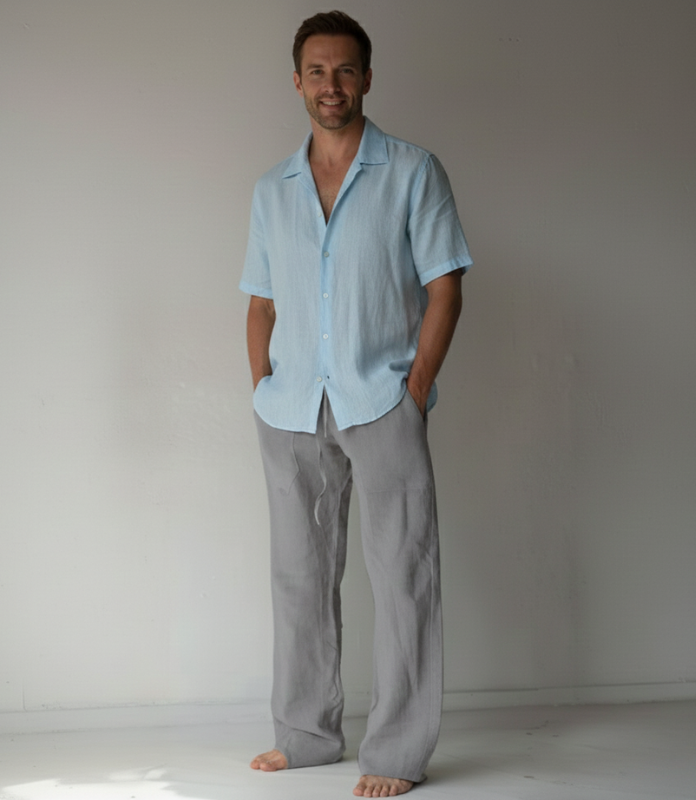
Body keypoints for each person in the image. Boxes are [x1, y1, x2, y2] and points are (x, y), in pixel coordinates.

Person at [240, 10, 472, 798]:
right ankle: (305, 736)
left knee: (404, 576)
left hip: (383, 404)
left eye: (345, 70)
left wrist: (414, 393)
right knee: (298, 579)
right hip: (292, 412)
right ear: (297, 80)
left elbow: (445, 289)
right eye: (316, 70)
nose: (330, 85)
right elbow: (261, 304)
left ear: (367, 77)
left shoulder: (413, 171)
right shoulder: (272, 190)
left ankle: (399, 753)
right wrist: (264, 390)